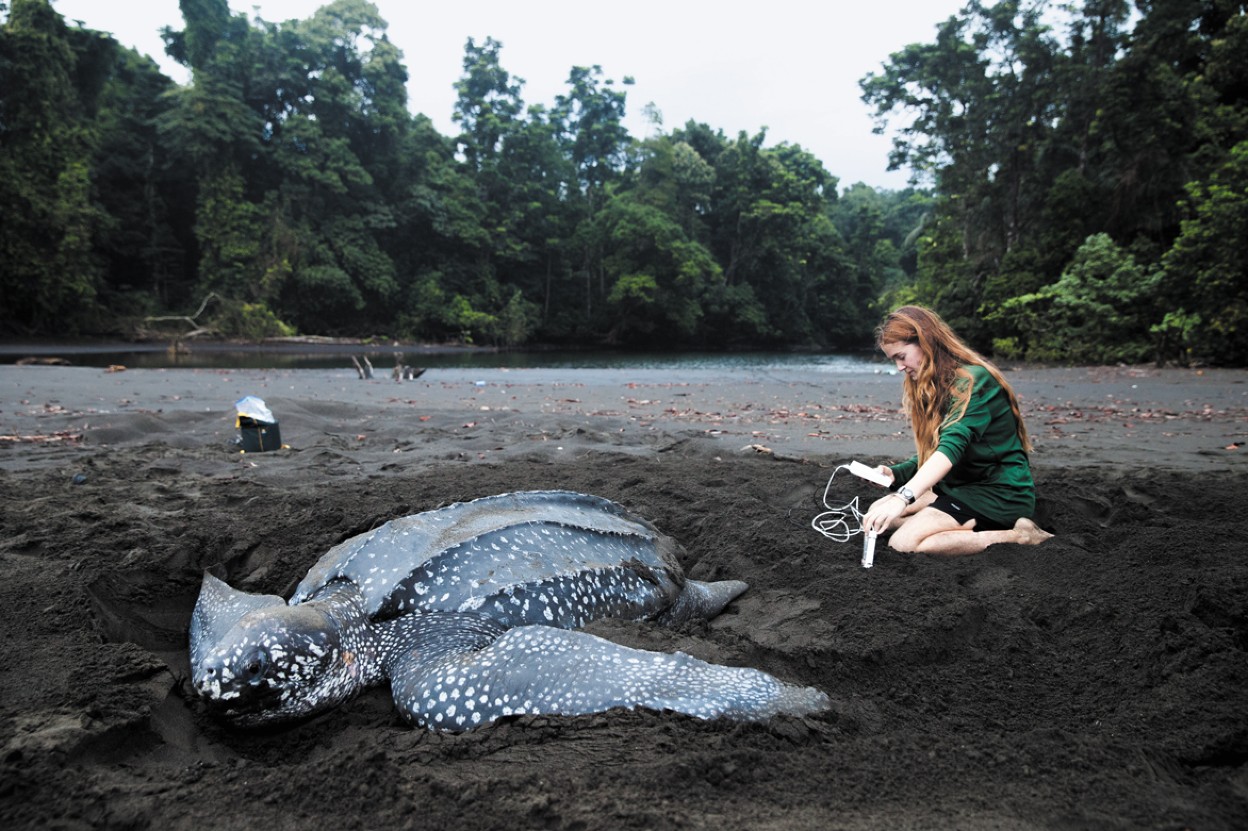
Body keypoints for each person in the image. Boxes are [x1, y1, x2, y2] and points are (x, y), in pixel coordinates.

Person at [861, 305, 1053, 555]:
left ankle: (1019, 536)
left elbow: (950, 451)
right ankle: (950, 526)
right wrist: (895, 474)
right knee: (876, 516)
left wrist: (902, 497)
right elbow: (936, 451)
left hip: (997, 494)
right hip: (960, 487)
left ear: (925, 342)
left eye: (902, 356)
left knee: (904, 543)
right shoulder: (932, 384)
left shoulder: (973, 381)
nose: (899, 367)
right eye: (894, 360)